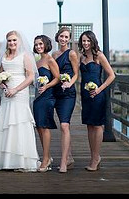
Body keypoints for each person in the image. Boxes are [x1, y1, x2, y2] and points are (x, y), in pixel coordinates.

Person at [0, 30, 40, 171]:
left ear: (19, 41)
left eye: (14, 40)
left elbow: (30, 77)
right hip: (6, 93)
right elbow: (0, 75)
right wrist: (2, 85)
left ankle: (21, 160)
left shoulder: (25, 56)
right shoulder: (4, 56)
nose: (12, 43)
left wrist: (16, 89)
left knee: (19, 121)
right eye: (9, 40)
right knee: (5, 121)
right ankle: (3, 161)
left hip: (20, 92)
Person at [79, 30, 116, 171]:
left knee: (97, 125)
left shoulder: (99, 55)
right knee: (89, 125)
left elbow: (112, 75)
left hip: (98, 94)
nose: (86, 43)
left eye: (88, 40)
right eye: (83, 41)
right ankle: (93, 156)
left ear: (93, 41)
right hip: (85, 95)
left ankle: (96, 157)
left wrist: (100, 89)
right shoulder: (81, 57)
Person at [52, 26, 79, 172]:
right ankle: (69, 157)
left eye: (66, 37)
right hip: (56, 92)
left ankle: (63, 162)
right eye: (61, 36)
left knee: (64, 125)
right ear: (58, 37)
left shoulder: (72, 54)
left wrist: (70, 83)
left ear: (69, 39)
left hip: (68, 93)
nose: (63, 39)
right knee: (64, 127)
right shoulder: (54, 54)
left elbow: (76, 74)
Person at [32, 34, 60, 172]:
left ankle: (45, 159)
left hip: (47, 97)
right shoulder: (37, 62)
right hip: (37, 98)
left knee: (44, 126)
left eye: (41, 44)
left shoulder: (50, 60)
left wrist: (47, 86)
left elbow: (57, 78)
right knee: (39, 127)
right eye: (36, 44)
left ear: (46, 44)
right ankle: (47, 156)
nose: (38, 46)